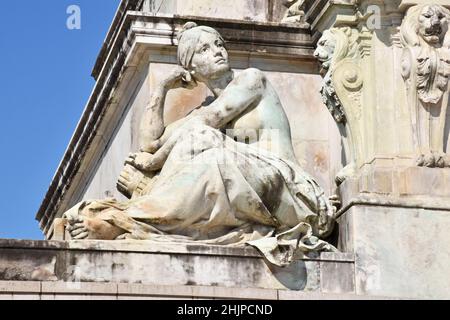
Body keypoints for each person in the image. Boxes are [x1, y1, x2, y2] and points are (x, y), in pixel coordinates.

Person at [64, 22, 337, 266]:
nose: (218, 51)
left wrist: (154, 163)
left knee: (204, 143)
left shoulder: (252, 80)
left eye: (218, 44)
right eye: (204, 49)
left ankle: (124, 220)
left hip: (292, 192)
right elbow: (149, 142)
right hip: (252, 193)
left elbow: (204, 124)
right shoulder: (200, 112)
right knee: (200, 147)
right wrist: (161, 88)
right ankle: (142, 213)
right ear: (190, 67)